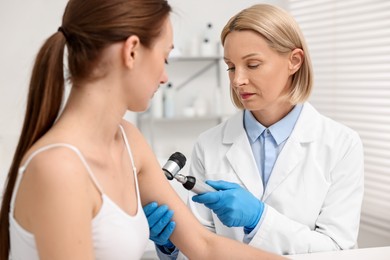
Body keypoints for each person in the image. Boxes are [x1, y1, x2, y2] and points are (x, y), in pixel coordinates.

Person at [0, 0, 286, 259]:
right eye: (164, 58)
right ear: (132, 51)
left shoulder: (128, 140)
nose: (164, 77)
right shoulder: (59, 167)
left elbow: (204, 246)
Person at [151, 3, 364, 259]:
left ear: (294, 61)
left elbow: (338, 251)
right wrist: (170, 246)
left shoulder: (342, 144)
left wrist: (260, 219)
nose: (237, 79)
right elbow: (199, 246)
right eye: (231, 66)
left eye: (252, 65)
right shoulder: (208, 144)